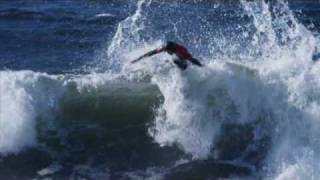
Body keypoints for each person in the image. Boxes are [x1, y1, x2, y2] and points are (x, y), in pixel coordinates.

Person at [131, 41, 203, 70]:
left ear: (172, 50)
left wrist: (202, 67)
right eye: (165, 50)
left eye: (167, 51)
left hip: (183, 58)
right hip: (177, 55)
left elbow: (192, 59)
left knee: (179, 63)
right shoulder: (164, 47)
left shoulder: (181, 51)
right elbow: (151, 53)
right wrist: (137, 59)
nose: (165, 51)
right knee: (172, 61)